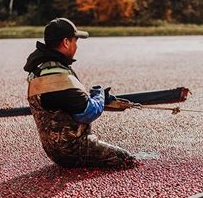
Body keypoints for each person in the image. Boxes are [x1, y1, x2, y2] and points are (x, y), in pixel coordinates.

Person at [24, 18, 135, 168]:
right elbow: (88, 112)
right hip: (74, 149)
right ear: (66, 42)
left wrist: (100, 100)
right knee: (126, 159)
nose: (76, 46)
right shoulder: (57, 77)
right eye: (75, 41)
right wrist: (99, 94)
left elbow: (65, 103)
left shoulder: (40, 69)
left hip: (52, 149)